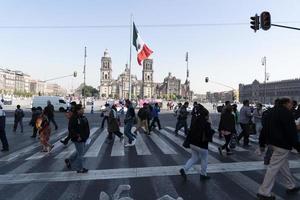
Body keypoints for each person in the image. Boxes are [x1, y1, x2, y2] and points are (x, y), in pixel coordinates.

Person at [257, 97, 300, 200]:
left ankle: (290, 185)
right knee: (273, 168)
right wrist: (298, 146)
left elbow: (264, 129)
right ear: (286, 103)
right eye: (291, 103)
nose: (292, 105)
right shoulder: (287, 113)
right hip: (282, 145)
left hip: (272, 143)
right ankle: (264, 192)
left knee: (283, 165)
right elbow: (291, 132)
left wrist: (262, 143)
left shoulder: (270, 111)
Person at [179, 105, 213, 181]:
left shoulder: (195, 120)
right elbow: (209, 134)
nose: (208, 116)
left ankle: (184, 169)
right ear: (206, 115)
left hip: (192, 143)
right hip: (201, 144)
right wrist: (210, 124)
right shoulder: (206, 123)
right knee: (204, 158)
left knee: (194, 157)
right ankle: (203, 174)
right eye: (208, 115)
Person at [65, 104, 90, 173]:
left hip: (83, 137)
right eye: (81, 109)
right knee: (81, 154)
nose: (83, 110)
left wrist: (87, 135)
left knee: (79, 152)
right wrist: (77, 136)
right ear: (78, 110)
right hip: (78, 138)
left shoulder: (82, 116)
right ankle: (80, 168)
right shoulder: (74, 118)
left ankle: (69, 160)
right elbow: (71, 128)